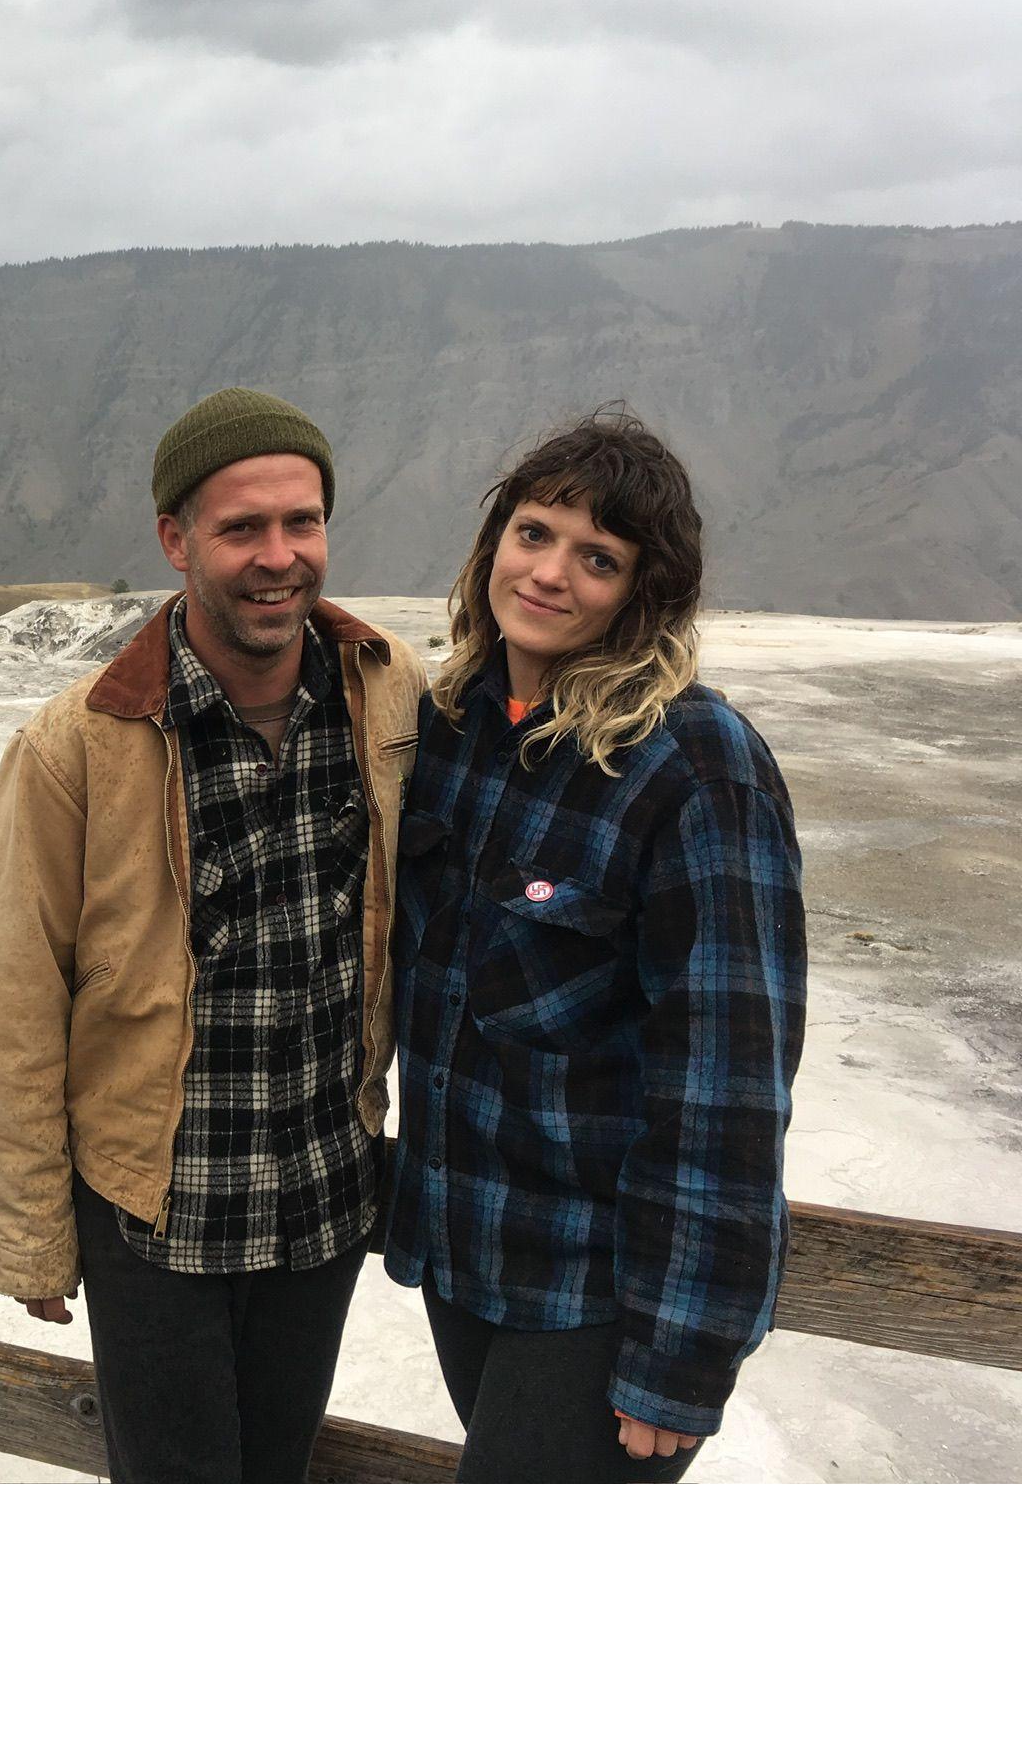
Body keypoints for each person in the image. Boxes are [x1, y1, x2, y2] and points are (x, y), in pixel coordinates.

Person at [0, 387, 427, 1482]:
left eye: (300, 521)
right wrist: (33, 1231)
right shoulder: (76, 745)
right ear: (175, 539)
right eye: (241, 528)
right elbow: (19, 995)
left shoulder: (389, 693)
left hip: (322, 1201)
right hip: (154, 1219)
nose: (278, 556)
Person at [382, 409, 805, 1482]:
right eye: (532, 532)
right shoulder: (451, 726)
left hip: (594, 1290)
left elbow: (724, 1084)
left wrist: (679, 1352)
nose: (549, 572)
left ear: (643, 592)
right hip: (464, 1258)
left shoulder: (692, 764)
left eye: (597, 556)